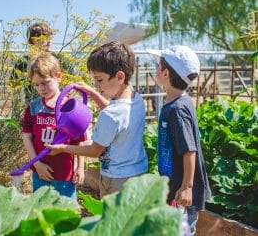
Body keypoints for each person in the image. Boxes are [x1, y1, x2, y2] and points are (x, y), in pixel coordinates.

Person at [47, 41, 148, 198]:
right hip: (138, 173)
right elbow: (115, 113)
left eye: (99, 80)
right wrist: (91, 92)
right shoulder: (136, 99)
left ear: (119, 76)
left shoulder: (109, 115)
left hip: (115, 180)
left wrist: (62, 148)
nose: (96, 84)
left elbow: (94, 151)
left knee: (113, 221)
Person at [147, 45, 211, 236]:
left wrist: (186, 187)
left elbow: (189, 150)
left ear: (165, 73)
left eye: (158, 65)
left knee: (181, 231)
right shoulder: (176, 104)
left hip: (181, 192)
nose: (155, 69)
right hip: (174, 186)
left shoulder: (177, 110)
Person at [22, 52, 85, 199]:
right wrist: (37, 165)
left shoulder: (71, 107)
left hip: (65, 175)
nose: (41, 88)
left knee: (66, 214)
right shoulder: (33, 108)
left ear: (58, 77)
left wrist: (80, 167)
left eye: (44, 83)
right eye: (37, 85)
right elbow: (26, 138)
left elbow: (79, 141)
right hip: (40, 175)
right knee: (41, 214)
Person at [10, 22, 53, 103]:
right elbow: (14, 87)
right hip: (32, 106)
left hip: (56, 106)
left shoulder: (58, 59)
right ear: (33, 40)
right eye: (45, 37)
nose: (49, 40)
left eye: (50, 36)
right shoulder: (22, 62)